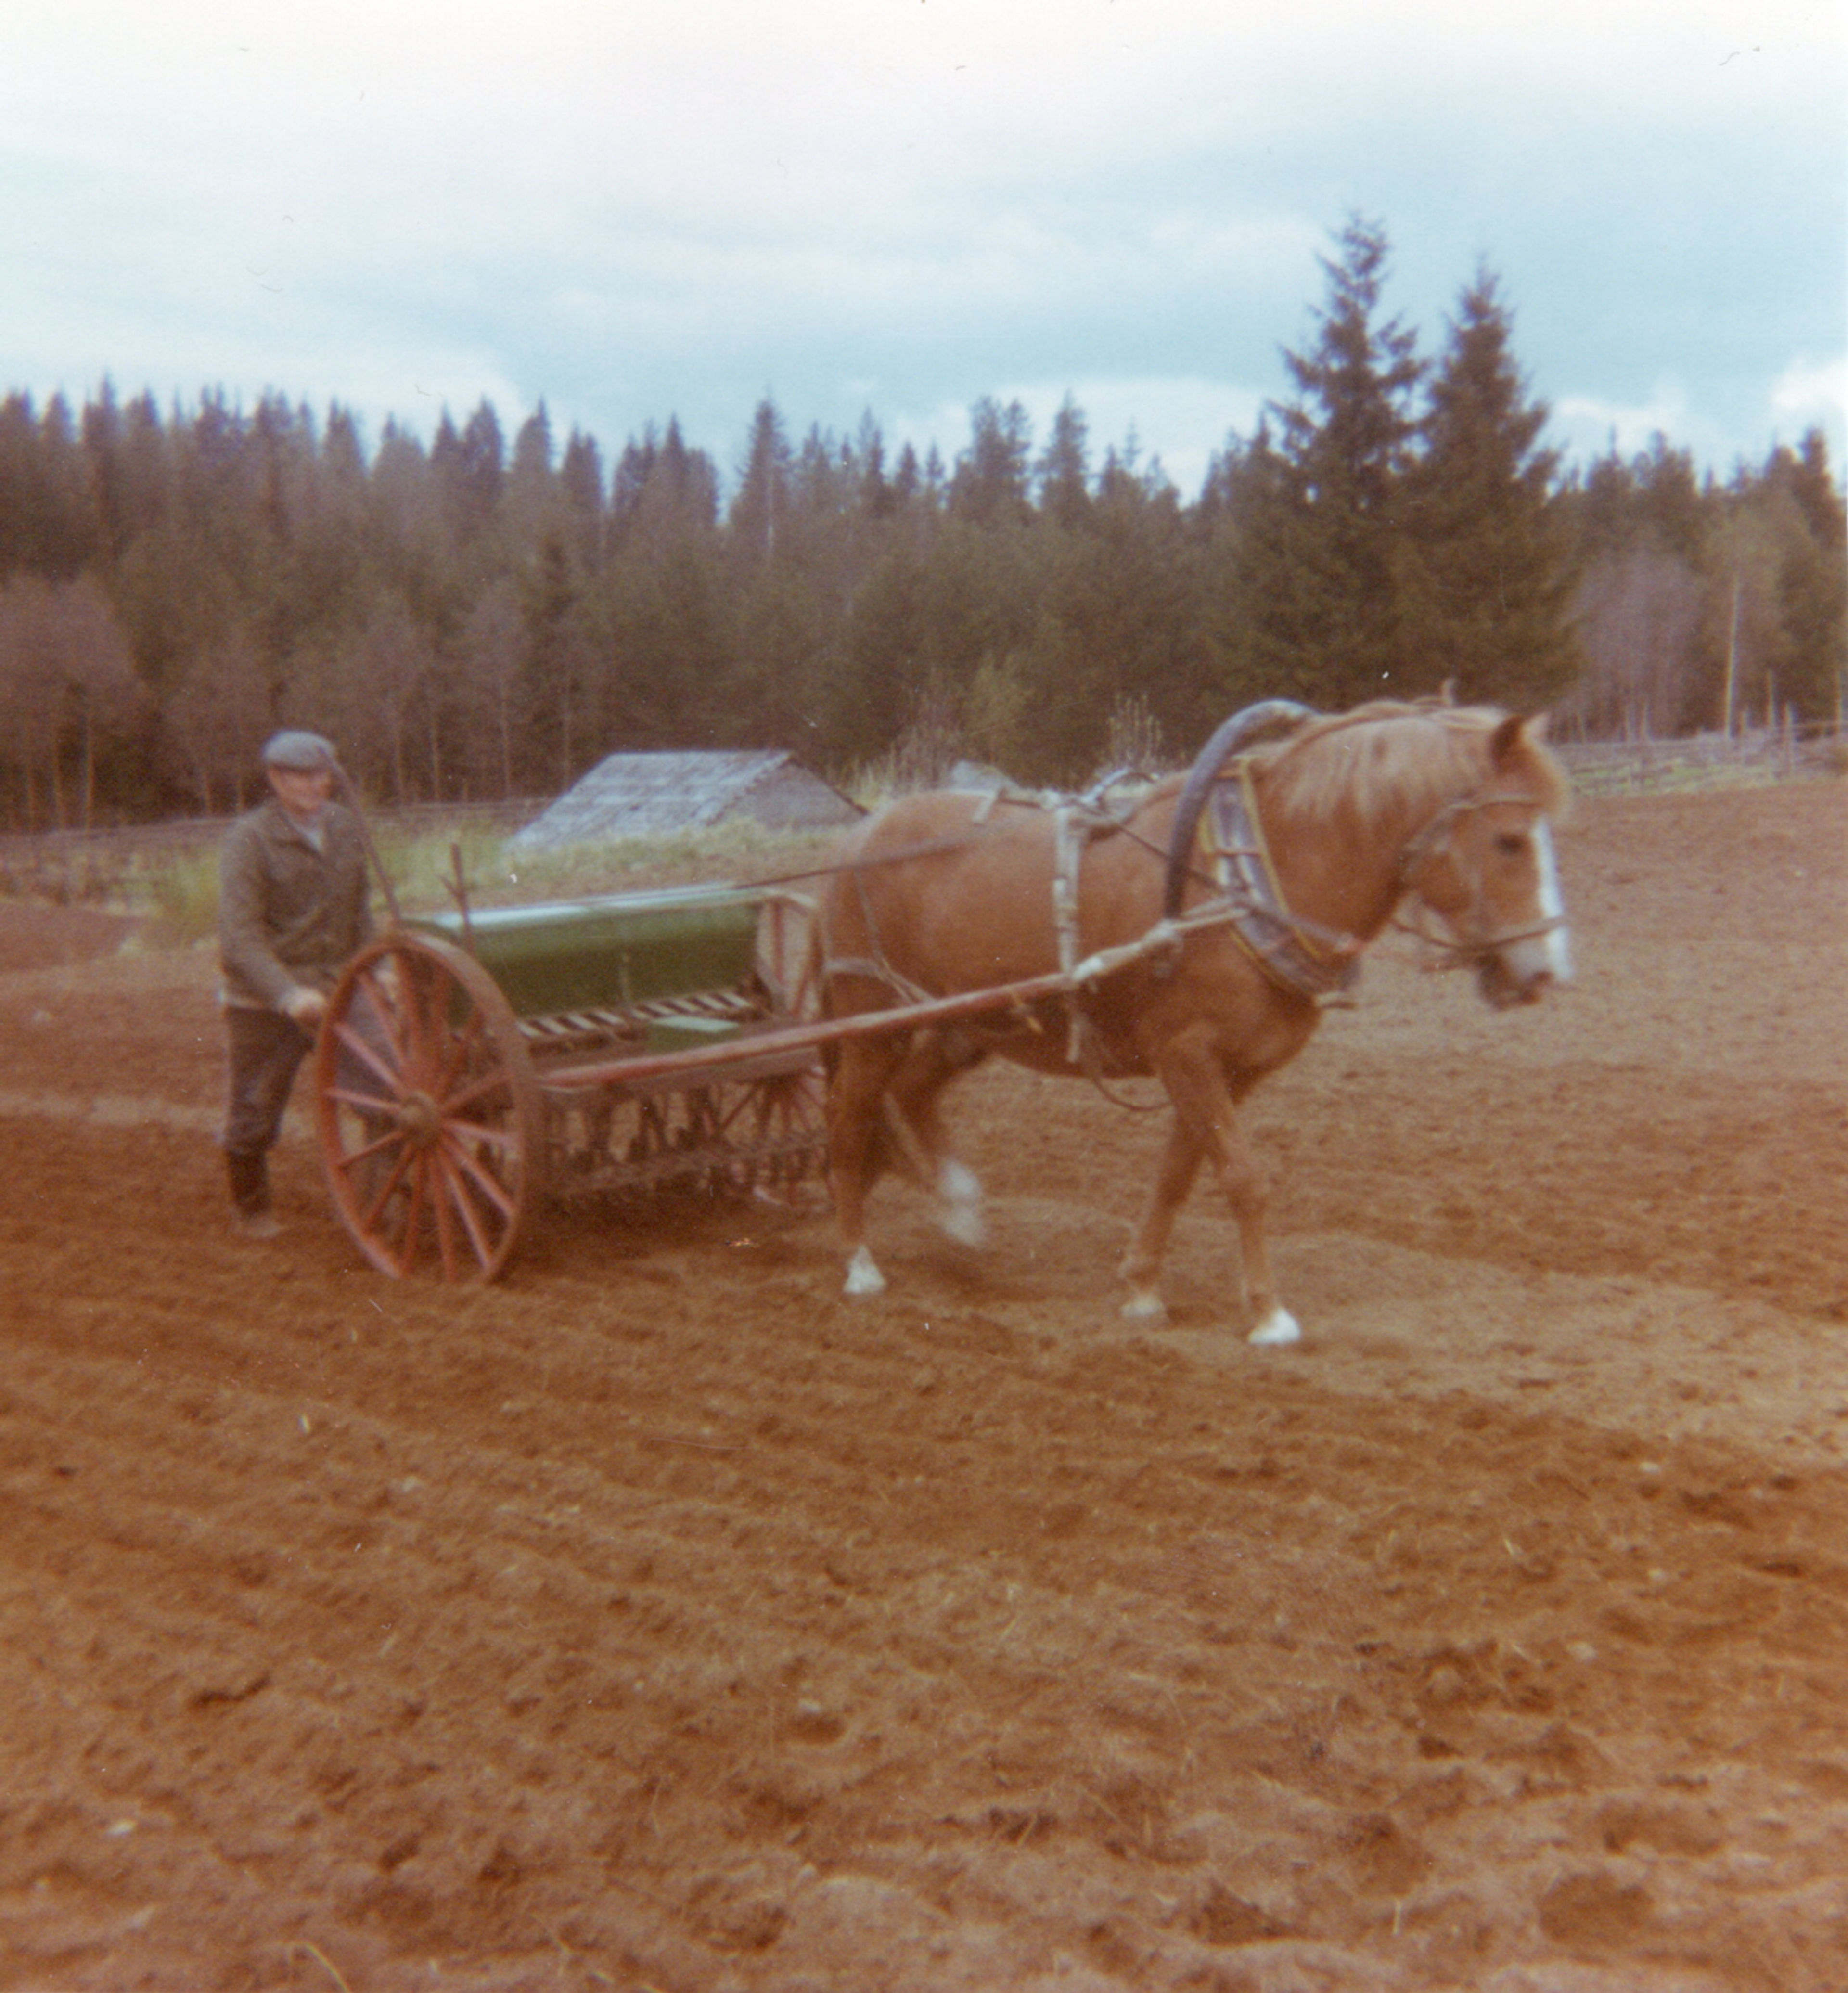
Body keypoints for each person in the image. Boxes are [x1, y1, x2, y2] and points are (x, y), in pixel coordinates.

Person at [218, 730, 374, 1236]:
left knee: (389, 1089)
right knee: (257, 1109)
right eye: (301, 776)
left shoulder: (347, 828)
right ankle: (252, 1206)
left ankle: (376, 1201)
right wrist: (288, 995)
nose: (314, 785)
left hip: (338, 984)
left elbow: (360, 914)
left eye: (322, 775)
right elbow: (240, 936)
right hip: (266, 996)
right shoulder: (251, 839)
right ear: (276, 779)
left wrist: (379, 968)